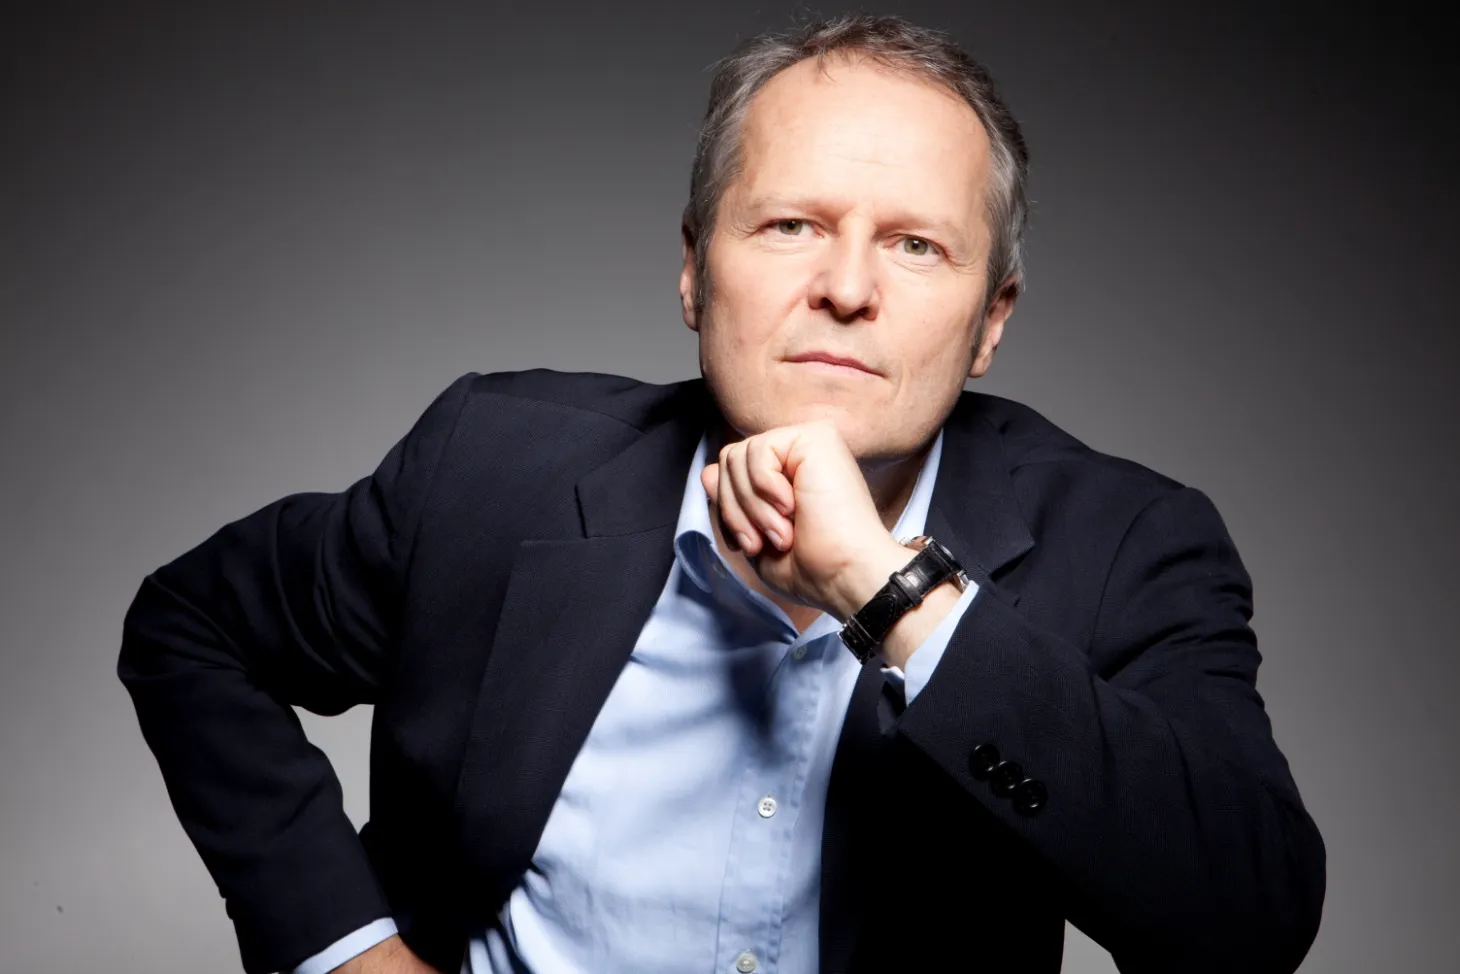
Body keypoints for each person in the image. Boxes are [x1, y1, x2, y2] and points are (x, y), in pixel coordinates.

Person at [118, 13, 1326, 974]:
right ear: (695, 271)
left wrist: (892, 591)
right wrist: (346, 951)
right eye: (790, 224)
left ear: (989, 320)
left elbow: (1246, 921)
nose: (846, 287)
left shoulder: (1122, 545)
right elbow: (190, 624)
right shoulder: (491, 466)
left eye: (914, 245)